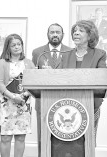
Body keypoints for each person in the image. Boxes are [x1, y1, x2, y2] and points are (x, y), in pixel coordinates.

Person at [60, 20, 107, 144]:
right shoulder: (65, 54)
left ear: (90, 35)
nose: (76, 33)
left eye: (81, 31)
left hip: (90, 104)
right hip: (67, 106)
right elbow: (60, 77)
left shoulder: (99, 54)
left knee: (87, 142)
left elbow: (101, 74)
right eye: (75, 31)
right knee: (68, 144)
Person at [31, 23, 71, 157]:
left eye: (58, 32)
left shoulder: (71, 51)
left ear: (62, 35)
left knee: (63, 136)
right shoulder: (38, 52)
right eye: (52, 32)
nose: (55, 34)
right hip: (43, 100)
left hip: (65, 101)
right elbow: (33, 76)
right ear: (47, 34)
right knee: (43, 136)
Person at [0, 33, 35, 157]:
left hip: (23, 103)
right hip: (6, 103)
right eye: (13, 45)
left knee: (20, 137)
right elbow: (0, 84)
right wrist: (13, 97)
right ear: (8, 47)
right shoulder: (2, 63)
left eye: (19, 44)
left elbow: (34, 82)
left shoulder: (29, 63)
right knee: (6, 137)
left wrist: (24, 95)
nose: (17, 47)